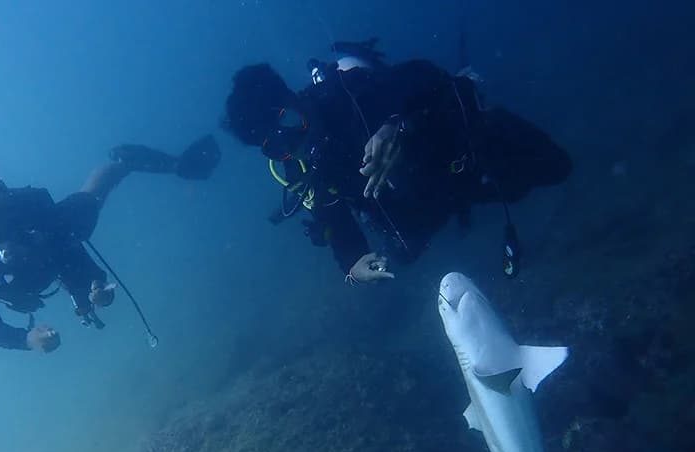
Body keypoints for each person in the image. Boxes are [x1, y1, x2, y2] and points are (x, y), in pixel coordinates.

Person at [221, 38, 571, 284]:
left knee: (554, 169)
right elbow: (330, 213)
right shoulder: (299, 164)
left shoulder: (347, 94)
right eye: (274, 146)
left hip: (456, 158)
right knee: (403, 253)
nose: (292, 144)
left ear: (294, 98)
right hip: (420, 199)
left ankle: (489, 125)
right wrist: (352, 262)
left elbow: (424, 75)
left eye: (287, 121)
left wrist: (398, 125)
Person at [0, 136, 219, 352]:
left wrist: (93, 284)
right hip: (18, 282)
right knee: (89, 200)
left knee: (94, 194)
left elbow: (71, 251)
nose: (10, 232)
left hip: (49, 245)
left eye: (8, 216)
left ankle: (127, 162)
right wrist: (26, 339)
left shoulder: (29, 209)